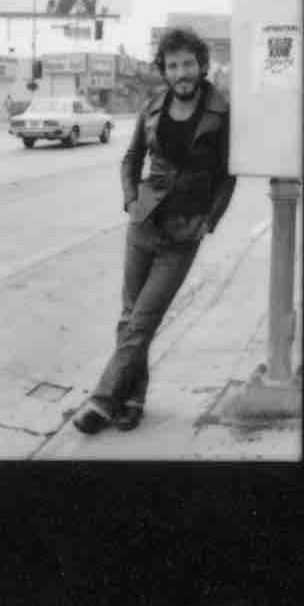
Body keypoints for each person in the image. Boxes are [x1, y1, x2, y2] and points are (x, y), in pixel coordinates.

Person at [71, 21, 235, 433]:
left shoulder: (222, 112)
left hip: (183, 232)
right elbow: (130, 159)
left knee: (142, 321)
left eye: (189, 64)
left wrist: (208, 222)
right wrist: (130, 200)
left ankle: (102, 402)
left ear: (201, 66)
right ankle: (133, 400)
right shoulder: (153, 106)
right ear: (164, 69)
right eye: (173, 65)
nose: (181, 73)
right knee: (130, 319)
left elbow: (229, 175)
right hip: (144, 220)